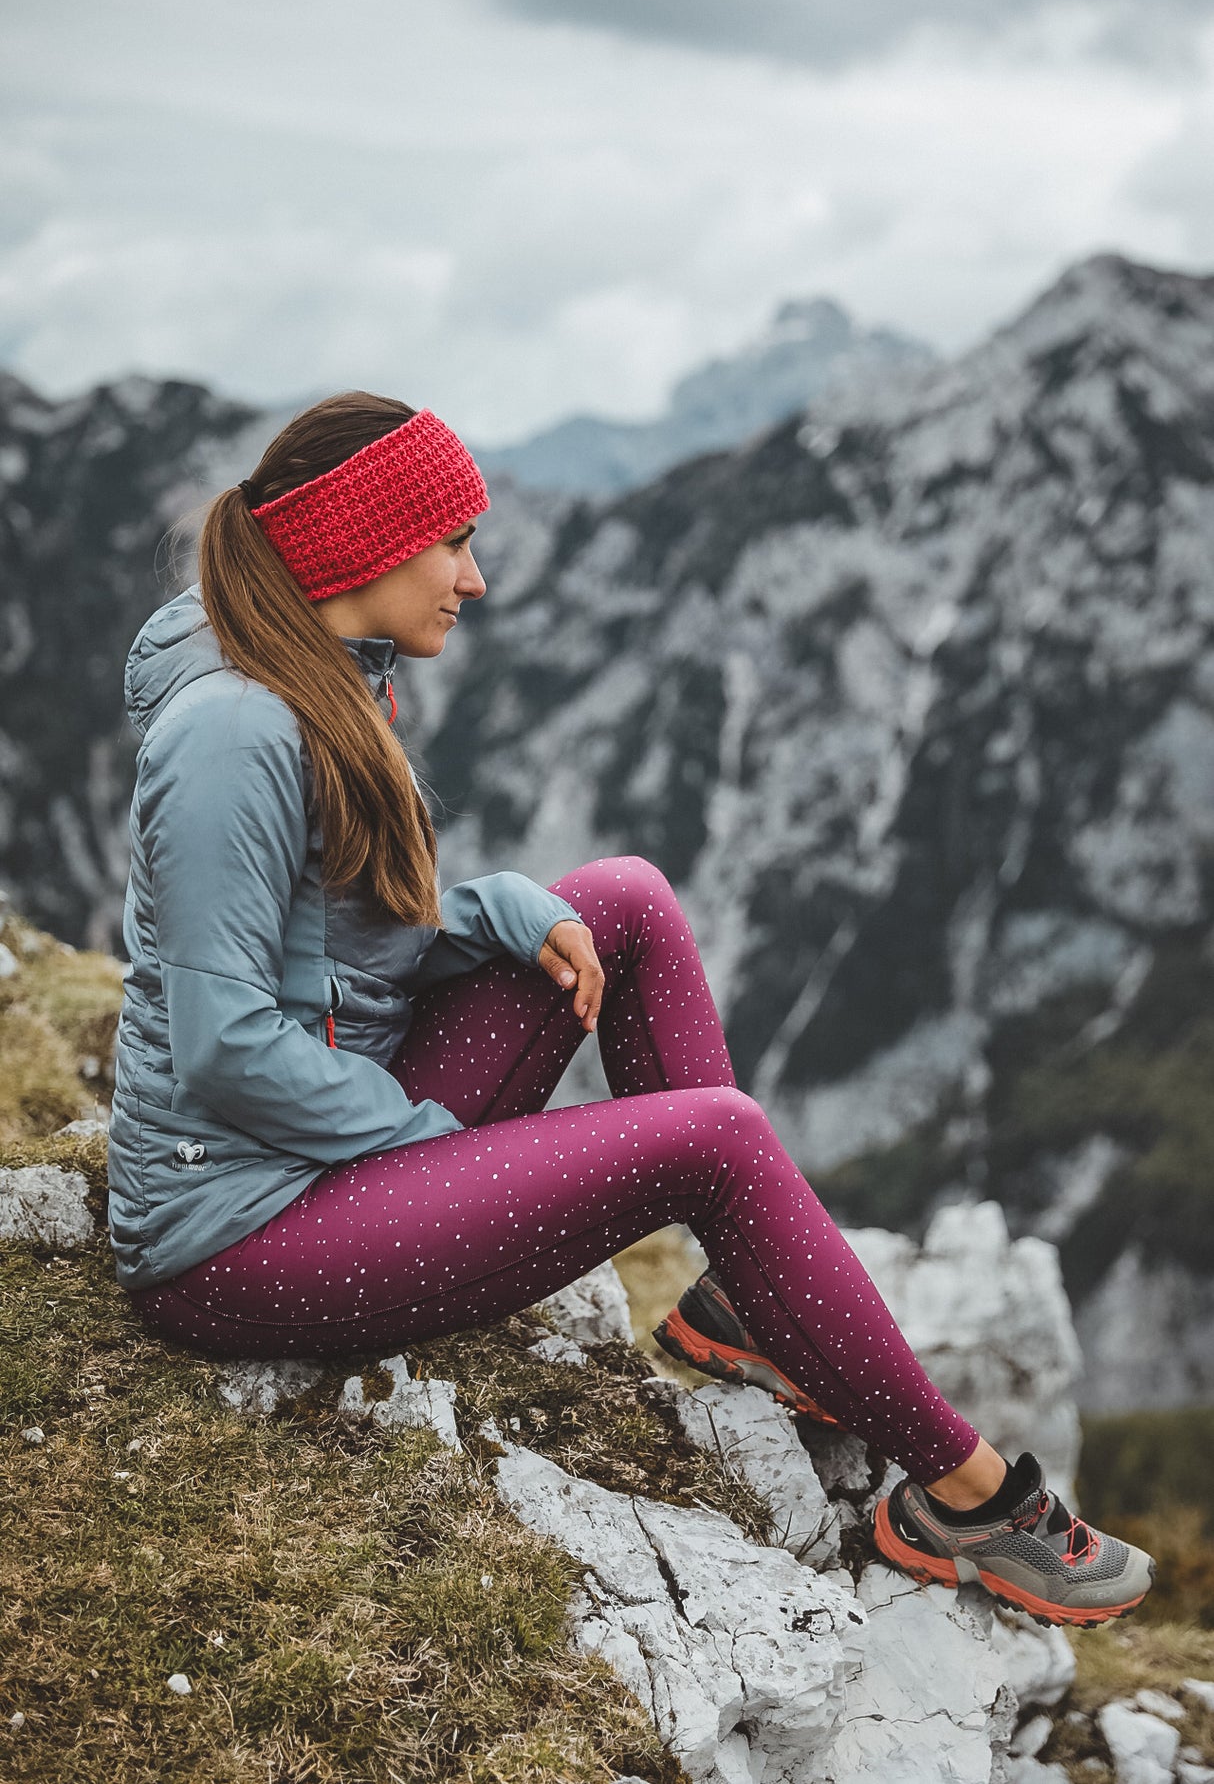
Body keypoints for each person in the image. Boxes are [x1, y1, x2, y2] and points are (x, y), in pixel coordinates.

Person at [107, 391, 1153, 1631]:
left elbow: (322, 946)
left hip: (319, 1143)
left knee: (625, 899)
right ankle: (968, 1503)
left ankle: (749, 1309)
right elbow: (229, 1047)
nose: (476, 579)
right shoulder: (232, 729)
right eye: (451, 544)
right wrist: (433, 1152)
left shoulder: (324, 673)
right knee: (713, 1138)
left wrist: (493, 908)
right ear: (364, 545)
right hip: (235, 1231)